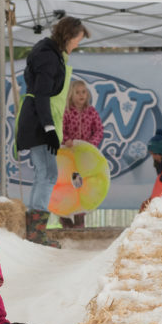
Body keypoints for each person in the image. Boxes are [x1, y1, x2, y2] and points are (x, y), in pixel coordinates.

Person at [15, 16, 89, 245]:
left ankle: (35, 229)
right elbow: (42, 94)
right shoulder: (48, 57)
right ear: (68, 37)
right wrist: (48, 127)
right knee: (47, 174)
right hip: (39, 121)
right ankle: (36, 232)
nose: (78, 44)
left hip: (43, 120)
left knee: (45, 174)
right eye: (77, 39)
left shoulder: (53, 54)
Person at [60, 78, 104, 229]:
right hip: (68, 156)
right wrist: (66, 140)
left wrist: (91, 145)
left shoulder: (91, 112)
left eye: (84, 92)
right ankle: (64, 219)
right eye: (77, 92)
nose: (81, 95)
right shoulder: (66, 112)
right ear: (71, 95)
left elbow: (99, 130)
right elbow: (61, 131)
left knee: (80, 185)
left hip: (84, 158)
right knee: (66, 186)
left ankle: (79, 220)